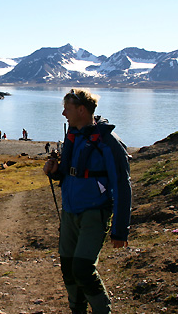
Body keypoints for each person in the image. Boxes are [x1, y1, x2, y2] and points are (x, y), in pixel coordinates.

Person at [43, 88, 132, 314]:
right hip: (70, 212)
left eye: (67, 109)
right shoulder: (73, 136)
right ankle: (77, 310)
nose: (64, 113)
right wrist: (54, 172)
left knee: (82, 269)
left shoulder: (109, 142)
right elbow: (69, 173)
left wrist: (120, 230)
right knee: (68, 268)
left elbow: (122, 185)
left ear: (81, 110)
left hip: (94, 213)